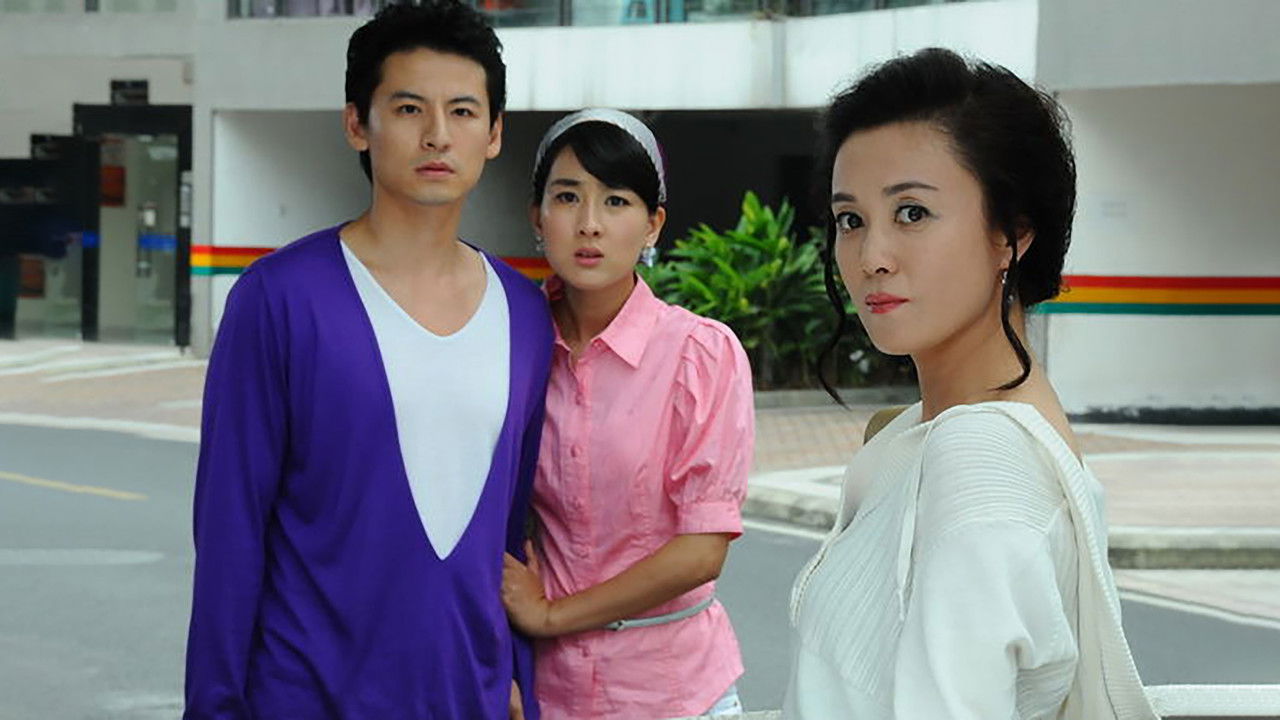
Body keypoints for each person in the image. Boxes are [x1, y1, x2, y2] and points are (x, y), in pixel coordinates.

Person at [183, 2, 551, 718]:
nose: (438, 134)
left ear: (494, 133)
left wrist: (515, 676)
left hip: (467, 699)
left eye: (463, 111)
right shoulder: (280, 298)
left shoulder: (526, 314)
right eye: (409, 108)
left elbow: (510, 536)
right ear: (358, 123)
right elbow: (229, 531)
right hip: (304, 699)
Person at [784, 48, 1159, 719]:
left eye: (912, 213)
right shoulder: (931, 435)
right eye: (851, 220)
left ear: (1011, 234)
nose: (871, 258)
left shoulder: (982, 464)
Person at [499, 109, 753, 720]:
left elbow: (701, 551)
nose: (589, 223)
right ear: (537, 216)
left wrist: (552, 615)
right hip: (548, 694)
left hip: (677, 693)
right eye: (568, 197)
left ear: (652, 224)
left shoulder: (699, 354)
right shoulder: (507, 343)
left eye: (616, 201)